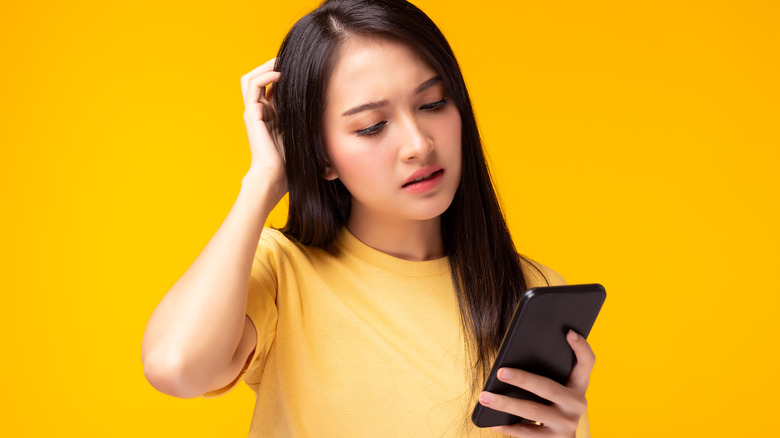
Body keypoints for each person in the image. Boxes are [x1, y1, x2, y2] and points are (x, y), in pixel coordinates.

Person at [141, 0, 595, 436]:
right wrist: (264, 179)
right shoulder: (280, 275)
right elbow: (175, 369)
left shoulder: (531, 291)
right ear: (321, 156)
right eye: (372, 126)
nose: (418, 143)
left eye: (433, 103)